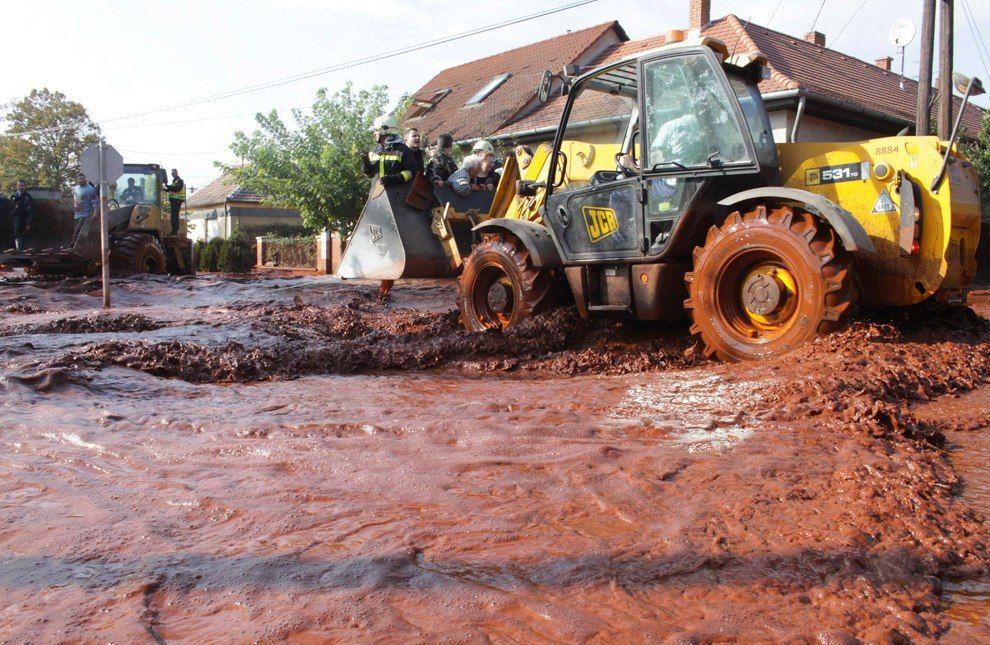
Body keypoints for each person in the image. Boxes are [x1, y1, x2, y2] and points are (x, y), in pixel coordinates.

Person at [361, 114, 419, 302]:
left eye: (377, 130)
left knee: (390, 241)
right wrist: (364, 160)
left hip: (396, 200)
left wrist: (395, 179)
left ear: (385, 131)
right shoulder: (376, 150)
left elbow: (412, 172)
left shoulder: (403, 150)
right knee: (376, 238)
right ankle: (381, 282)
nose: (375, 134)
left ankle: (385, 288)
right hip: (376, 200)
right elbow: (370, 172)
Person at [71, 172, 97, 245]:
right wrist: (75, 205)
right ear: (77, 180)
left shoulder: (90, 189)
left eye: (83, 179)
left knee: (78, 229)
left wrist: (95, 213)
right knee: (76, 229)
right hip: (77, 214)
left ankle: (73, 245)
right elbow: (75, 199)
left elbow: (94, 202)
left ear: (86, 179)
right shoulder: (75, 188)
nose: (81, 180)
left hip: (86, 213)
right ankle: (79, 244)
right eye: (80, 179)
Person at [9, 180, 35, 252]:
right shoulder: (14, 196)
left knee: (20, 234)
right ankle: (16, 249)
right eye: (19, 185)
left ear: (25, 186)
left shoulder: (27, 197)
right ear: (17, 186)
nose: (21, 187)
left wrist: (29, 222)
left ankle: (20, 251)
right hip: (14, 218)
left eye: (22, 186)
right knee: (15, 233)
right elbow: (10, 207)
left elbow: (30, 211)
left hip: (23, 219)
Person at [162, 168, 185, 235]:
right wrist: (165, 189)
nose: (171, 174)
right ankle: (173, 230)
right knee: (173, 216)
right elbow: (171, 189)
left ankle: (175, 231)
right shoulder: (174, 181)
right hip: (173, 201)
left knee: (175, 216)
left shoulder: (180, 181)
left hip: (177, 200)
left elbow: (176, 189)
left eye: (172, 173)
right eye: (171, 173)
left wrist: (167, 186)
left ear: (176, 173)